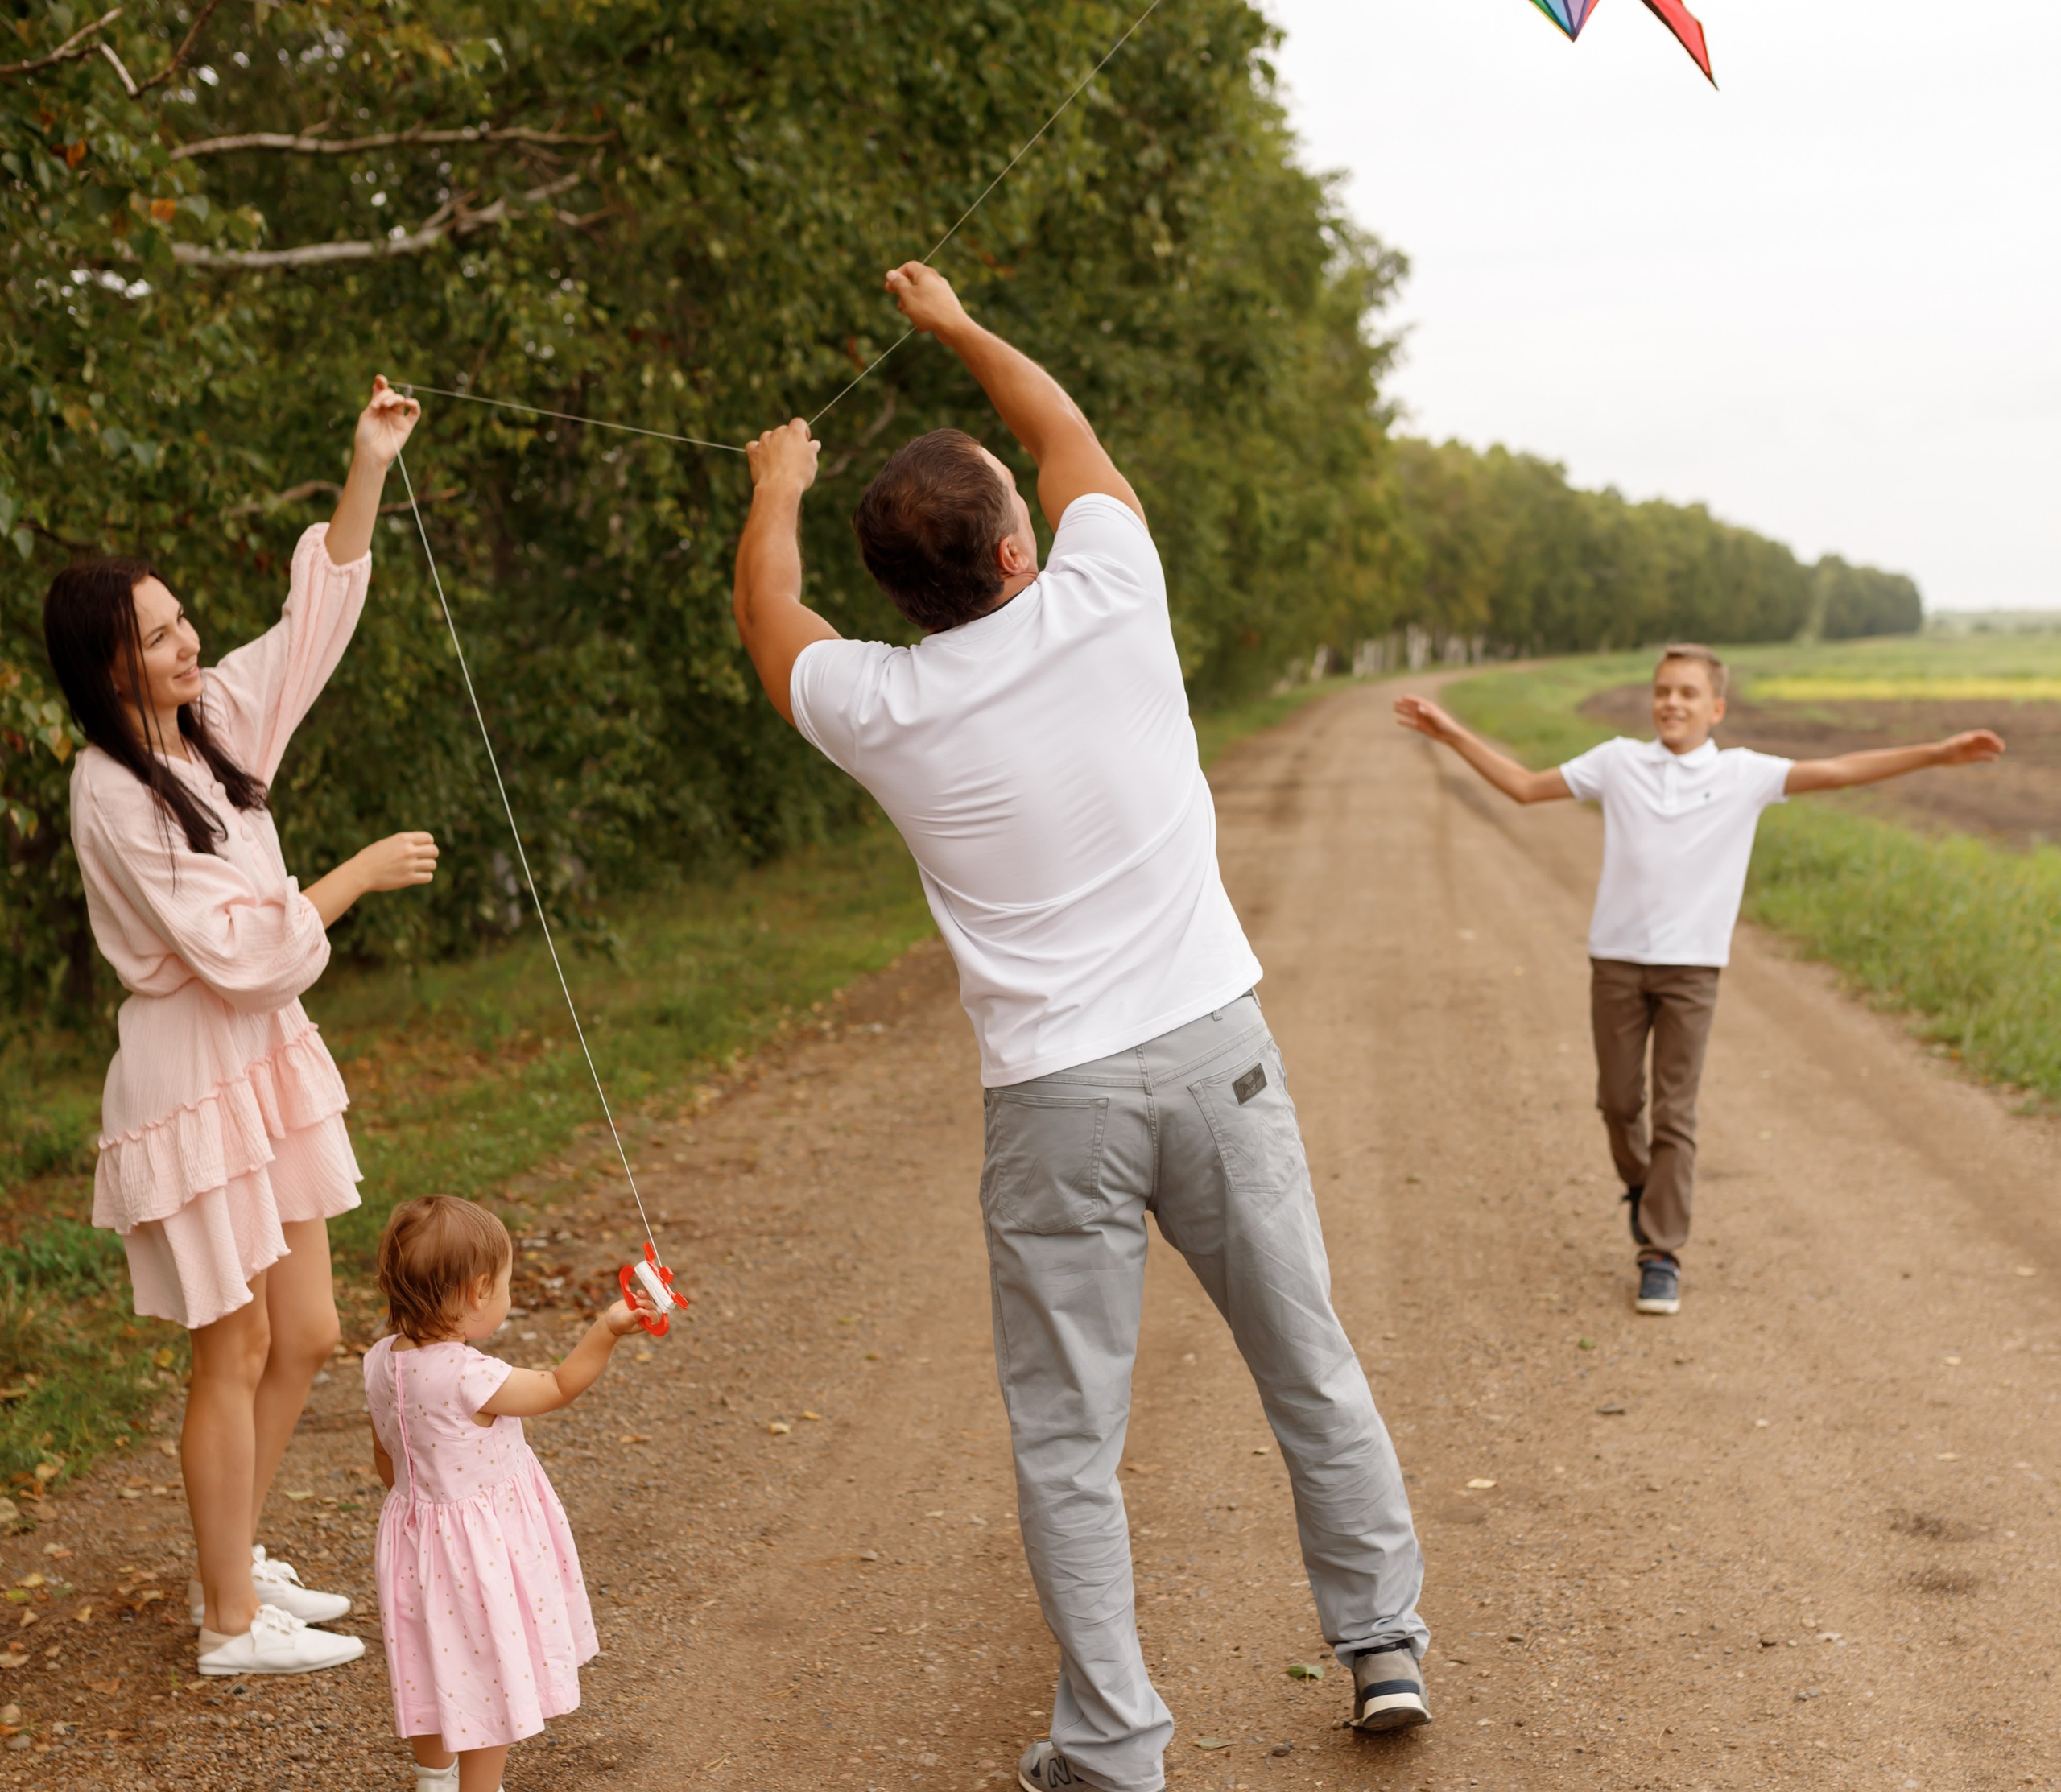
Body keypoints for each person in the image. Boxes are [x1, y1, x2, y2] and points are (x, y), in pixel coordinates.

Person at [733, 264, 1430, 1792]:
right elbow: (1058, 428)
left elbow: (769, 618)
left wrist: (776, 485)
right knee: (1306, 1357)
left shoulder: (878, 705)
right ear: (1011, 547)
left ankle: (1114, 1749)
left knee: (1068, 1441)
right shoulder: (1111, 591)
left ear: (907, 592)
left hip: (1053, 1102)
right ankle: (1382, 1644)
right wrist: (960, 325)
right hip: (1213, 1054)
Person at [41, 376, 440, 1677]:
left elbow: (311, 617)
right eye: (156, 637)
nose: (184, 643)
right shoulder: (111, 789)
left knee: (310, 1331)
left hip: (257, 1060)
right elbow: (233, 951)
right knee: (240, 1342)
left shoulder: (208, 720)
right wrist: (353, 877)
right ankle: (225, 1623)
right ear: (107, 665)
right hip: (189, 1065)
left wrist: (367, 461)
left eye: (178, 622)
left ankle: (238, 1554)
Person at [1395, 646, 2005, 1314]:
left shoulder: (1745, 774)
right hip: (1618, 961)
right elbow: (1521, 787)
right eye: (1663, 691)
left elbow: (1838, 770)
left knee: (1675, 1113)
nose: (1672, 704)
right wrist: (1450, 732)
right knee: (1618, 1103)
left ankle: (1660, 1252)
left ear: (1716, 709)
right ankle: (1642, 1188)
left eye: (1688, 694)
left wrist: (1936, 753)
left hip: (1693, 970)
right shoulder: (1618, 762)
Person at [366, 1195, 638, 1792]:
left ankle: (432, 1779)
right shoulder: (470, 1376)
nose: (510, 1296)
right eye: (508, 1285)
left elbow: (387, 1456)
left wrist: (426, 1504)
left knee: (431, 1664)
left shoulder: (379, 1361)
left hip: (413, 1542)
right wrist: (607, 1328)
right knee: (486, 1680)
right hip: (474, 1554)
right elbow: (559, 1384)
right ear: (477, 1291)